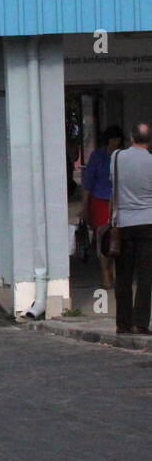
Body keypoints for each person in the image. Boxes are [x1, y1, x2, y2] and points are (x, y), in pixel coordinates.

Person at [108, 123, 152, 336]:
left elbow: (113, 187)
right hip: (148, 224)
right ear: (149, 141)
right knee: (145, 276)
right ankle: (140, 323)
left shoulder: (116, 157)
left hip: (123, 224)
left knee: (123, 276)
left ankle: (123, 324)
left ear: (131, 137)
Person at [80, 124, 123, 289]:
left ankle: (113, 269)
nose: (115, 143)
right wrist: (85, 207)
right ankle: (105, 274)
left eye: (118, 140)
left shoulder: (122, 156)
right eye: (112, 139)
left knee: (118, 237)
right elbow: (88, 183)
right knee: (103, 238)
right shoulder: (97, 156)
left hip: (119, 201)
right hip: (100, 200)